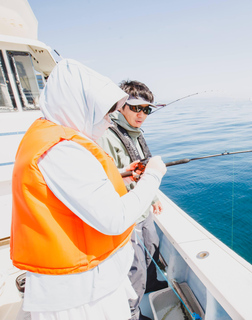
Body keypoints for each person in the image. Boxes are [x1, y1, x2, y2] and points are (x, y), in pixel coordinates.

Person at [10, 59, 167, 320]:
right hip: (79, 291)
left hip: (80, 281)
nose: (108, 122)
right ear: (80, 105)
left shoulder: (48, 137)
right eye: (105, 113)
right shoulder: (61, 149)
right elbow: (115, 219)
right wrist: (152, 176)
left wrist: (122, 175)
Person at [97, 80, 166, 320]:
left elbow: (142, 170)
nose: (142, 114)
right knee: (134, 268)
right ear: (121, 106)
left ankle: (152, 284)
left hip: (143, 208)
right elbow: (104, 180)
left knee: (152, 248)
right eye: (136, 107)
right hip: (127, 214)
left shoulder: (135, 134)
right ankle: (131, 313)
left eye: (147, 109)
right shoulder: (106, 135)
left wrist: (153, 196)